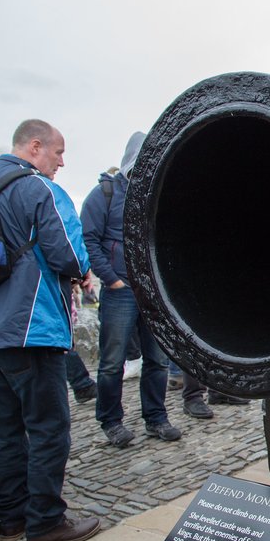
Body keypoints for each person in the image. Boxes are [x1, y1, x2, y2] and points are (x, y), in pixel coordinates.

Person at [0, 119, 99, 541]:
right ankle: (45, 522)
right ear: (35, 147)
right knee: (48, 428)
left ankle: (12, 517)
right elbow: (69, 255)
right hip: (29, 327)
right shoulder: (39, 189)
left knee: (4, 430)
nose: (62, 162)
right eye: (58, 152)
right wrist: (81, 272)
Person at [81, 132, 181, 447]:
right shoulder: (104, 195)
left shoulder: (157, 194)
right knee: (112, 362)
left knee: (157, 360)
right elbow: (89, 239)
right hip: (121, 290)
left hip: (151, 293)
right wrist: (111, 278)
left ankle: (156, 417)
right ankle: (111, 421)